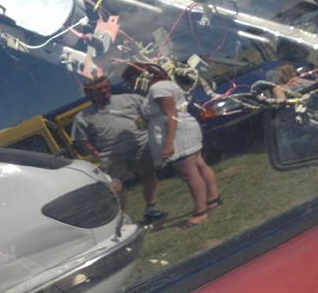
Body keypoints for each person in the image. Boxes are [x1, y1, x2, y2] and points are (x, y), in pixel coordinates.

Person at [124, 63, 220, 229]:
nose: (132, 86)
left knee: (188, 173)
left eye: (131, 81)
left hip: (177, 133)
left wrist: (168, 143)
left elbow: (171, 114)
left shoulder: (158, 89)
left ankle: (201, 211)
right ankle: (213, 198)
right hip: (182, 128)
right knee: (199, 165)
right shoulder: (164, 86)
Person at [72, 76, 167, 225]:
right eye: (98, 90)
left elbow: (152, 113)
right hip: (110, 154)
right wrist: (94, 152)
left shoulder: (130, 99)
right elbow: (81, 140)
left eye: (106, 87)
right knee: (115, 187)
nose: (104, 91)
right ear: (89, 93)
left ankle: (151, 209)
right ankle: (120, 220)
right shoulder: (82, 116)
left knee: (149, 176)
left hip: (140, 145)